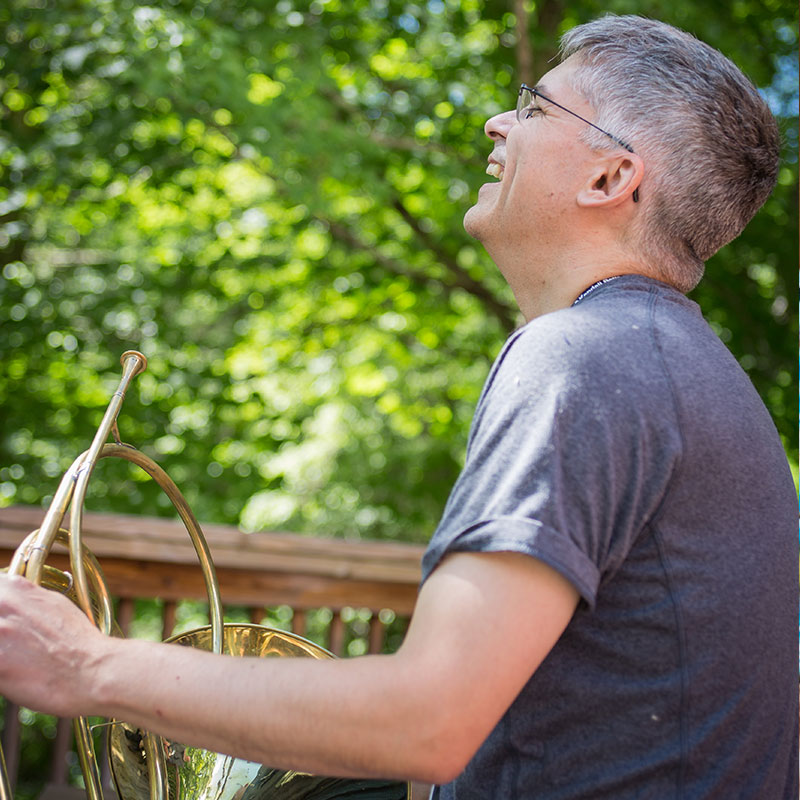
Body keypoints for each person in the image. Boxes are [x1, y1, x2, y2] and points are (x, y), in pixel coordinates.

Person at [0, 14, 796, 799]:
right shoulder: (696, 376)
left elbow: (429, 723)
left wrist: (85, 664)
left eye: (533, 107)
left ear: (609, 179)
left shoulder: (584, 358)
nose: (497, 123)